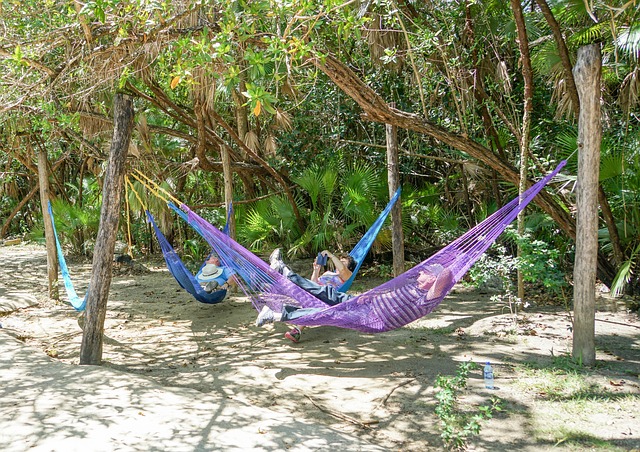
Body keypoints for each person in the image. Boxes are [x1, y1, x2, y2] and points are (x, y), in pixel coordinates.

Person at [257, 249, 455, 342]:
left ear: (433, 279)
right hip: (367, 304)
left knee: (329, 313)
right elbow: (390, 293)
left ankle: (278, 315)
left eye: (425, 271)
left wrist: (461, 255)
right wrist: (368, 296)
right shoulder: (413, 286)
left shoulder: (427, 298)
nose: (419, 272)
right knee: (324, 292)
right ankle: (283, 271)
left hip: (374, 319)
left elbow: (446, 274)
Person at [265, 248, 355, 342]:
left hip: (328, 298)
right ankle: (292, 327)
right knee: (302, 292)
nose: (339, 264)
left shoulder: (347, 276)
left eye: (343, 262)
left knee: (311, 301)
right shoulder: (328, 273)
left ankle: (281, 271)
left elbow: (343, 269)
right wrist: (316, 270)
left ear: (349, 267)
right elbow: (313, 283)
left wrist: (331, 255)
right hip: (314, 292)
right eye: (339, 261)